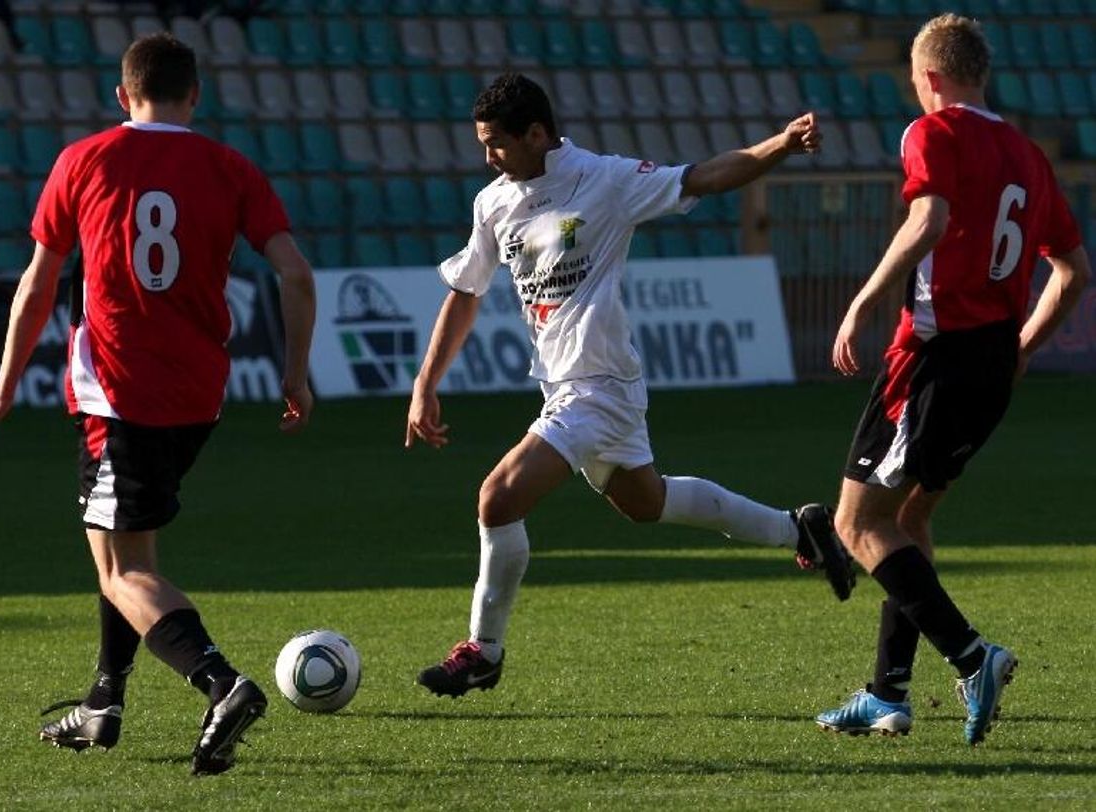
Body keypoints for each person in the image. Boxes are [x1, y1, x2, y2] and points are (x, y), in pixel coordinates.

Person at [404, 72, 855, 699]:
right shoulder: (493, 203)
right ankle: (798, 529)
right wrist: (426, 381)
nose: (488, 157)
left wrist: (778, 146)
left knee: (497, 498)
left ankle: (483, 650)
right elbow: (465, 292)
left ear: (537, 134)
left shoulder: (605, 181)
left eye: (498, 144)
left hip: (599, 387)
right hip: (563, 388)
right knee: (646, 503)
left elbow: (702, 176)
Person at [0, 33, 317, 774]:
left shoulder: (84, 159)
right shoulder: (230, 166)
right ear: (196, 95)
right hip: (199, 394)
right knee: (121, 544)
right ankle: (103, 701)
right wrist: (295, 374)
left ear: (122, 96)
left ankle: (222, 684)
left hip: (120, 393)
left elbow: (38, 284)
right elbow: (296, 274)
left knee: (124, 570)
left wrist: (4, 383)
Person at [814, 14, 1090, 746]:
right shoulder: (1030, 156)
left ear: (929, 78)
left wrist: (866, 299)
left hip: (933, 357)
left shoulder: (930, 132)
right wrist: (1023, 346)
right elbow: (1073, 273)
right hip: (993, 363)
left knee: (856, 522)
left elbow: (929, 218)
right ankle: (887, 694)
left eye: (914, 80)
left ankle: (974, 657)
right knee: (908, 522)